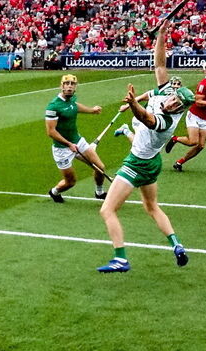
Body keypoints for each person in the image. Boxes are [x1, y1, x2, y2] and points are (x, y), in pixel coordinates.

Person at [97, 24, 195, 273]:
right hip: (153, 163)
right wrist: (162, 35)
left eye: (176, 103)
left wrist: (132, 104)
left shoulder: (166, 122)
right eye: (173, 98)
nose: (172, 102)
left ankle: (120, 258)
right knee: (151, 207)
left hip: (138, 163)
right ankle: (177, 244)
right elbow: (160, 65)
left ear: (180, 109)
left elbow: (147, 120)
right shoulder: (165, 93)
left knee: (107, 209)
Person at [45, 73, 108, 203]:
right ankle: (54, 192)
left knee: (100, 168)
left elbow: (75, 107)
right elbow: (51, 132)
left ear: (76, 87)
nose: (69, 87)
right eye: (66, 84)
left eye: (72, 84)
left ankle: (99, 192)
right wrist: (69, 144)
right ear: (61, 86)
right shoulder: (53, 106)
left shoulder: (72, 99)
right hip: (62, 149)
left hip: (78, 141)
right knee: (71, 182)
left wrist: (92, 110)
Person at [164, 61, 206, 172]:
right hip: (194, 116)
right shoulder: (203, 85)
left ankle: (179, 162)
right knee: (193, 142)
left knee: (201, 146)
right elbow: (198, 102)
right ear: (204, 71)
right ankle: (175, 139)